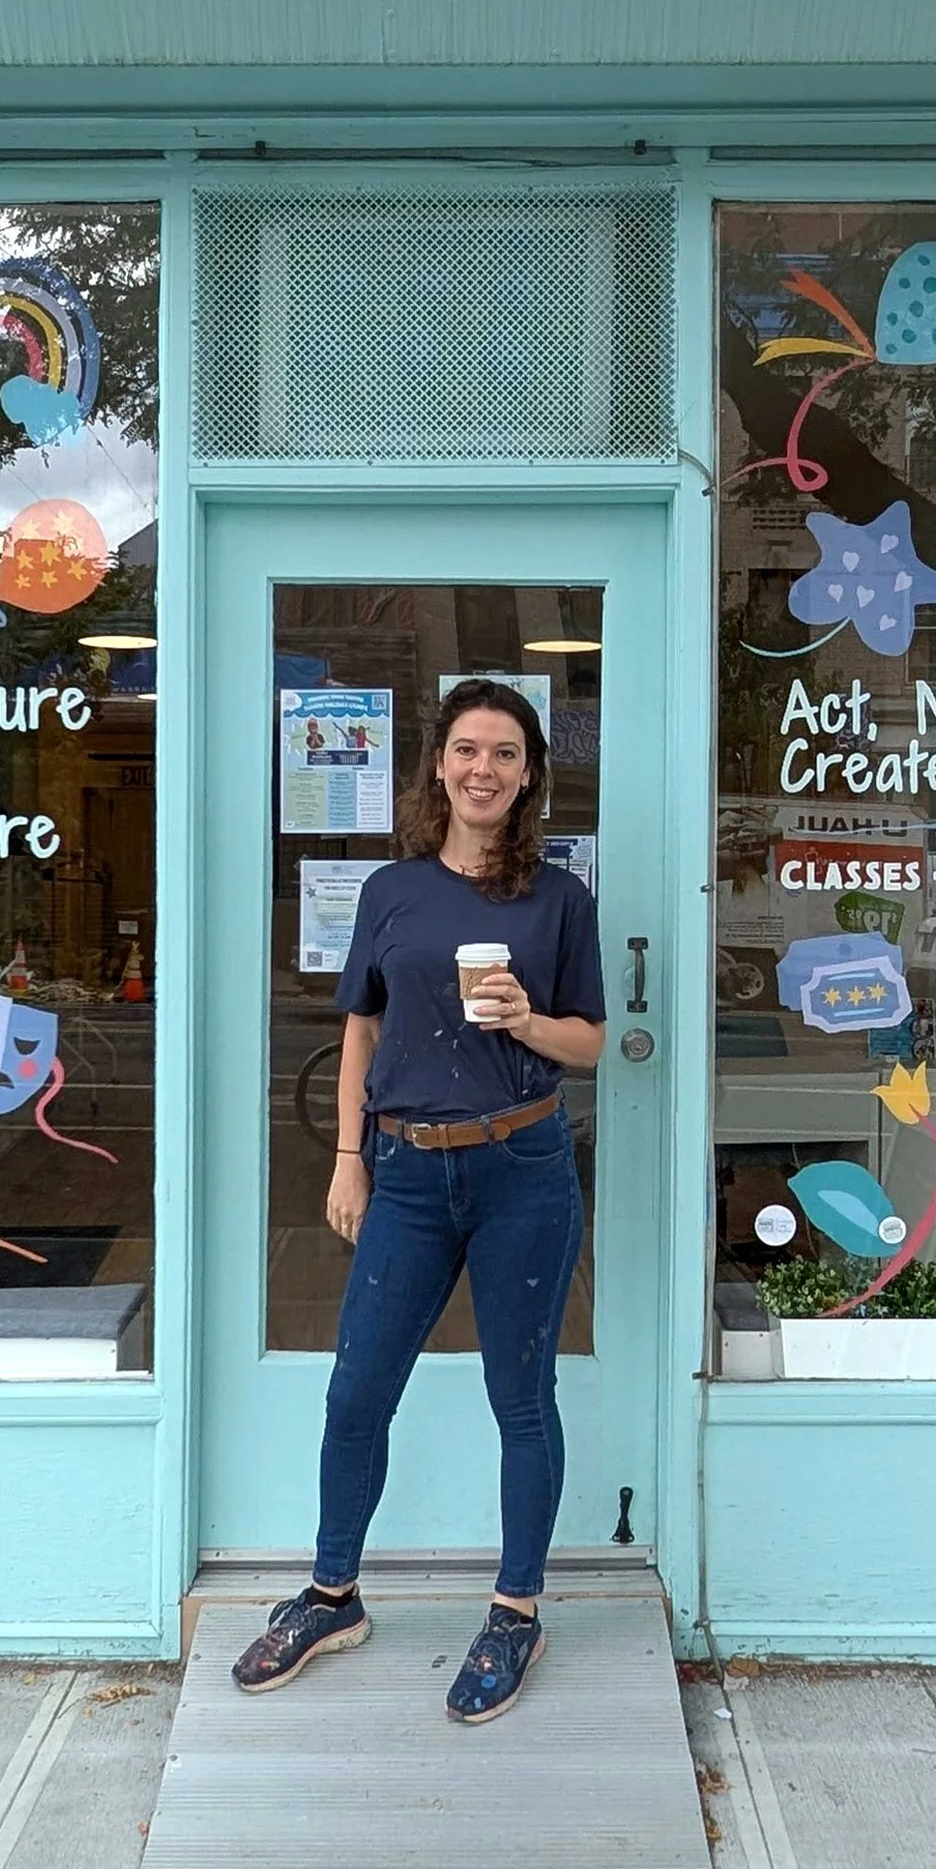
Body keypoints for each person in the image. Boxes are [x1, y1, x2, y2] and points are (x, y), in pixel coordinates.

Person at [232, 679, 605, 1723]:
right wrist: (348, 1157)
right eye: (467, 749)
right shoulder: (392, 889)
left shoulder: (559, 900)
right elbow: (360, 1029)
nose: (484, 769)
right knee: (357, 1390)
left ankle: (516, 1609)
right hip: (405, 1171)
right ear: (438, 766)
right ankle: (332, 1594)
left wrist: (526, 1021)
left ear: (528, 777)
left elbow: (589, 1043)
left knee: (520, 1397)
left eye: (505, 753)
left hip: (521, 1168)